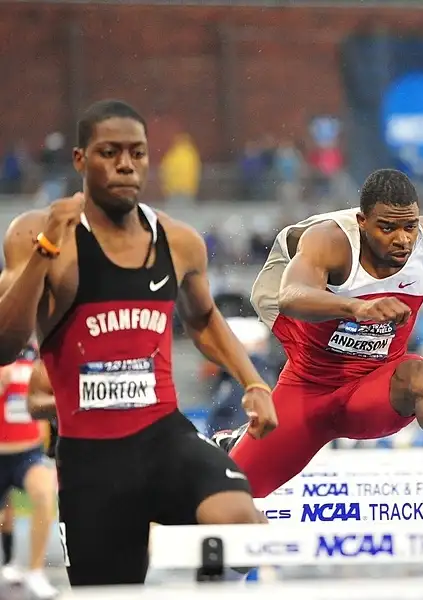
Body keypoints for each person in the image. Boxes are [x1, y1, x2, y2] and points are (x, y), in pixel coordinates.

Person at [0, 99, 278, 587]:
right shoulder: (36, 234)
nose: (126, 164)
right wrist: (44, 252)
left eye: (137, 153)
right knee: (110, 593)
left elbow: (204, 318)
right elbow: (7, 344)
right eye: (110, 152)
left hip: (164, 438)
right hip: (91, 459)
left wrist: (253, 382)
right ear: (80, 159)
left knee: (239, 523)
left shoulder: (178, 240)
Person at [214, 169, 423, 497]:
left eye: (410, 227)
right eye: (387, 228)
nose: (402, 240)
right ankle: (241, 441)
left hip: (373, 393)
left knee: (421, 373)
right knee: (227, 496)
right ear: (362, 222)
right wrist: (357, 308)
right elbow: (290, 297)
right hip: (307, 392)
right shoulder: (331, 242)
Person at [0, 342, 57, 598]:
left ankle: (35, 571)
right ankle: (9, 561)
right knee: (5, 516)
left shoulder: (35, 352)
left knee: (44, 494)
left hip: (27, 453)